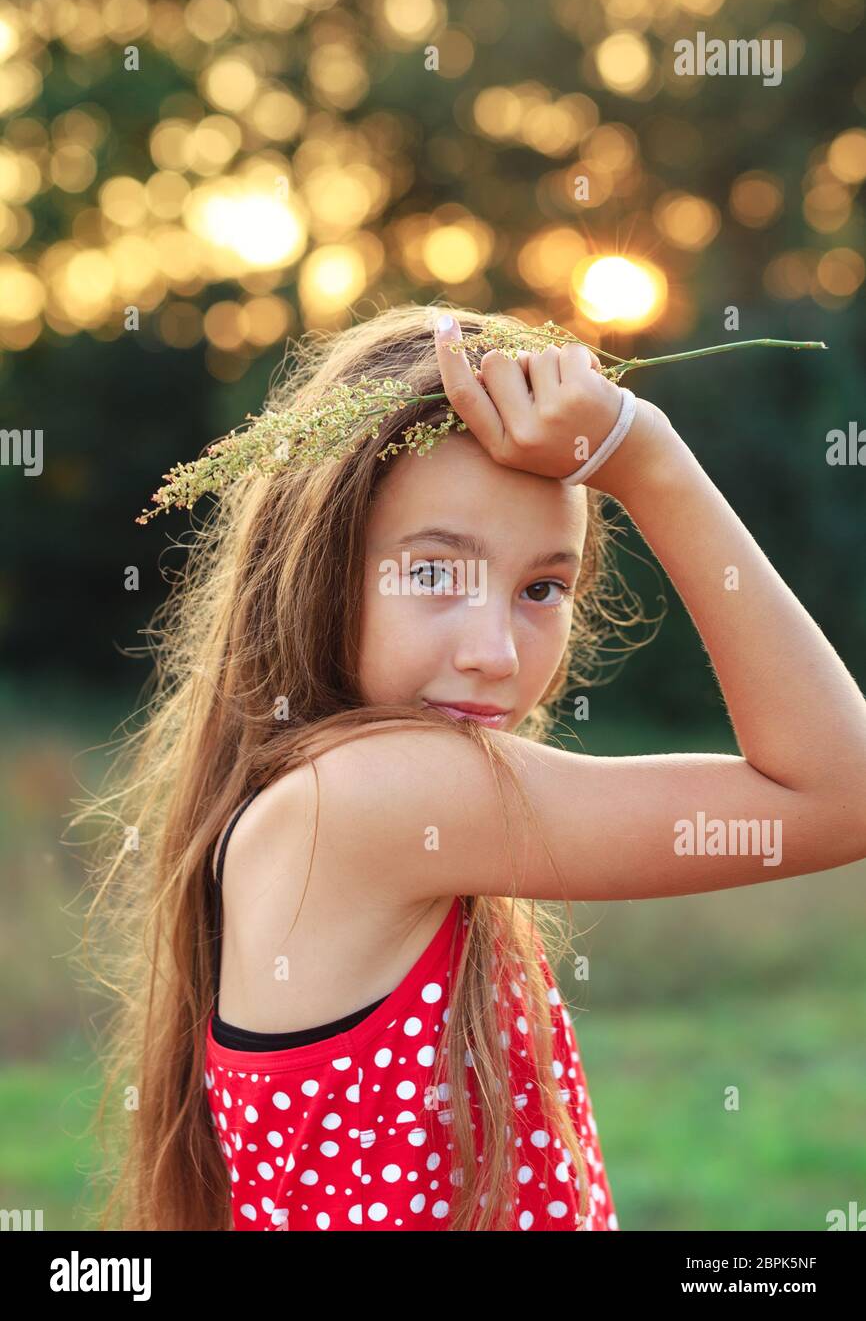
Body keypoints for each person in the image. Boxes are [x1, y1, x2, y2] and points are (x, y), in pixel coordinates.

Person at [78, 303, 866, 1231]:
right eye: (434, 572)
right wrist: (649, 460)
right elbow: (841, 792)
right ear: (317, 570)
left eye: (542, 587)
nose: (495, 650)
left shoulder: (331, 796)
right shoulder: (375, 796)